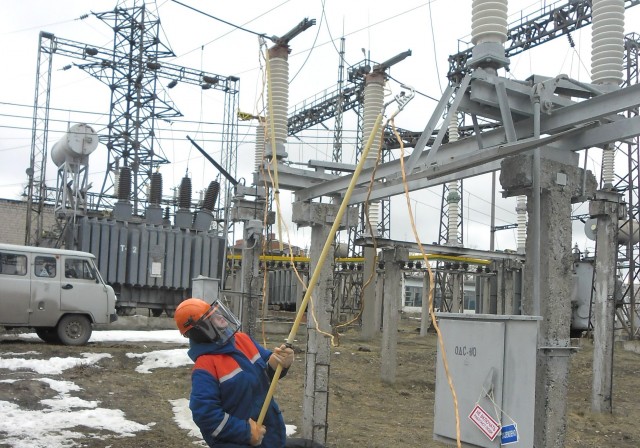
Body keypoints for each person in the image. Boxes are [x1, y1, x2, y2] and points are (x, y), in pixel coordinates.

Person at [174, 298, 294, 447]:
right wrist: (245, 432)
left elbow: (266, 373)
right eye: (211, 317)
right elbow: (206, 415)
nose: (220, 316)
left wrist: (279, 363)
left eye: (216, 312)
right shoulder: (205, 366)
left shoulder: (242, 340)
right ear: (200, 330)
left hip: (271, 435)